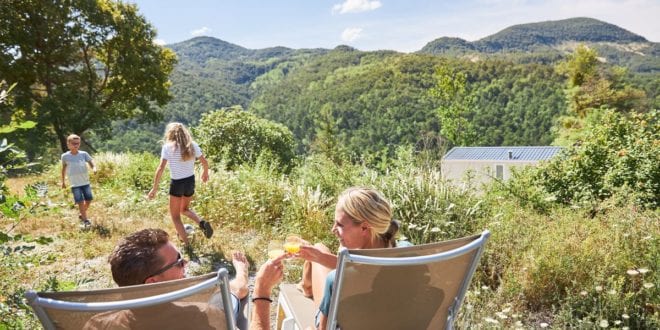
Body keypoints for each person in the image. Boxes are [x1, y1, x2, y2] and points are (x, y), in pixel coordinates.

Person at [252, 187, 403, 330]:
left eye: (339, 225)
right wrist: (320, 257)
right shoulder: (407, 255)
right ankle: (305, 284)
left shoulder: (338, 279)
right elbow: (362, 268)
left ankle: (305, 286)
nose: (333, 230)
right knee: (318, 250)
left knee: (318, 246)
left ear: (364, 227)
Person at [84, 228, 249, 329]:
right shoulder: (202, 316)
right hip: (215, 309)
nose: (185, 262)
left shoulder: (98, 325)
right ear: (152, 284)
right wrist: (262, 292)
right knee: (231, 292)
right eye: (178, 262)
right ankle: (241, 275)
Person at [147, 122, 212, 247]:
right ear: (185, 133)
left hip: (177, 183)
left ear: (170, 134)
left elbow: (160, 168)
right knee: (185, 209)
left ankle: (187, 245)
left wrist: (154, 188)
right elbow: (204, 162)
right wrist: (205, 174)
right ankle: (201, 222)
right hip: (190, 181)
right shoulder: (192, 145)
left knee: (175, 216)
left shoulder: (168, 147)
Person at [61, 134, 96, 227]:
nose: (76, 145)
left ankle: (82, 213)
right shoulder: (65, 156)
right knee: (80, 201)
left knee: (89, 199)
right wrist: (63, 182)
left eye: (78, 143)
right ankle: (85, 220)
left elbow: (91, 162)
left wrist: (94, 168)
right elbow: (63, 169)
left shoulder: (84, 154)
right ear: (68, 144)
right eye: (73, 143)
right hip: (74, 184)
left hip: (85, 182)